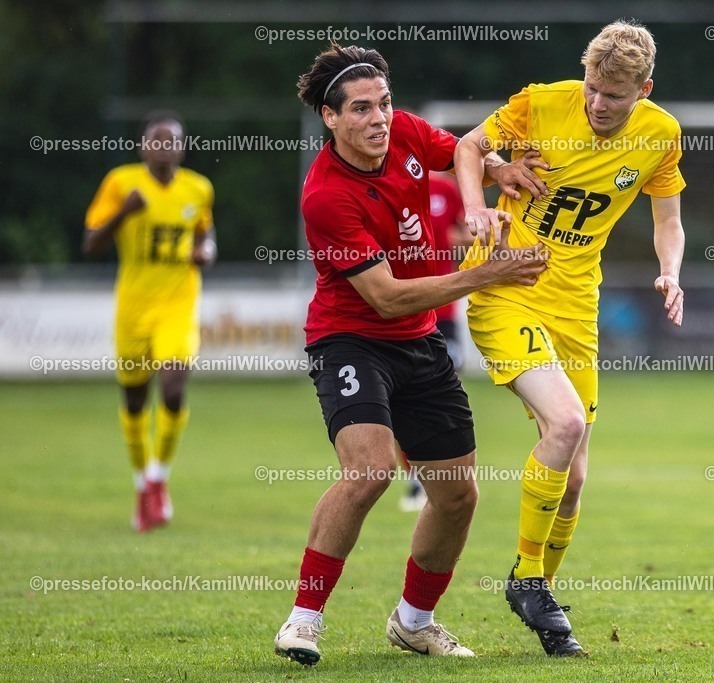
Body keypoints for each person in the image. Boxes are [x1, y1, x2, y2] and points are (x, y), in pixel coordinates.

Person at [273, 43, 547, 666]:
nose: (380, 118)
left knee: (457, 494)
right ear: (331, 118)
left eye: (386, 103)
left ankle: (414, 621)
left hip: (420, 342)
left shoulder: (406, 134)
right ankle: (303, 620)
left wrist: (501, 168)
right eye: (362, 109)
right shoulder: (325, 196)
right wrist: (486, 275)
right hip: (351, 338)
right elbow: (386, 298)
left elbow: (463, 151)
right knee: (370, 470)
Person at [454, 20, 685, 656]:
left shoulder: (661, 135)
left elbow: (668, 218)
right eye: (591, 89)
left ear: (644, 89)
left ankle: (541, 597)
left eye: (614, 95)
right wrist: (477, 204)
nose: (597, 104)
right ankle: (527, 579)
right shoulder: (542, 102)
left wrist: (670, 272)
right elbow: (470, 147)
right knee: (565, 426)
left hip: (577, 308)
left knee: (576, 478)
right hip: (505, 285)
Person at [83, 111, 217, 533]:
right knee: (135, 401)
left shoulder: (198, 187)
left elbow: (205, 234)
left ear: (181, 146)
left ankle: (159, 476)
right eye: (156, 140)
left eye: (171, 140)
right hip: (134, 308)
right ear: (143, 146)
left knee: (174, 386)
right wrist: (124, 212)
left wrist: (206, 252)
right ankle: (143, 482)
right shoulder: (121, 183)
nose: (164, 147)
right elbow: (90, 244)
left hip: (177, 304)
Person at [399, 172, 474, 513]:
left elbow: (465, 235)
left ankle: (437, 476)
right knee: (401, 399)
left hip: (443, 310)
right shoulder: (394, 185)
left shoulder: (446, 188)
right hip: (405, 308)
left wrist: (460, 239)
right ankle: (416, 477)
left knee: (443, 385)